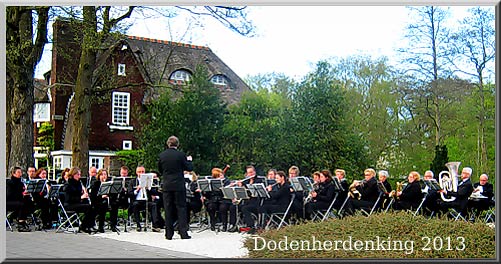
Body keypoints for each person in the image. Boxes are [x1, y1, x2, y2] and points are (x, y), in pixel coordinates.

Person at [158, 135, 193, 240]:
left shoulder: (162, 155)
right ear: (177, 144)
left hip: (167, 185)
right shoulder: (181, 155)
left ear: (168, 144)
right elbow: (189, 168)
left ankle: (168, 234)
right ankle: (183, 233)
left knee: (168, 209)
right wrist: (189, 160)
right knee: (181, 208)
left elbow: (160, 170)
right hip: (178, 185)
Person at [128, 166, 164, 232]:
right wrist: (137, 189)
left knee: (154, 205)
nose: (141, 173)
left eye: (143, 172)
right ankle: (138, 225)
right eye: (139, 172)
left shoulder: (148, 181)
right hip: (137, 200)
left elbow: (155, 192)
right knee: (135, 205)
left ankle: (155, 225)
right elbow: (129, 193)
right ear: (136, 173)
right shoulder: (133, 181)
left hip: (146, 200)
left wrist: (149, 188)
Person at [63, 167, 97, 234]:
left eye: (80, 174)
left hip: (77, 203)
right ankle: (83, 227)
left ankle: (88, 225)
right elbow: (69, 198)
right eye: (78, 175)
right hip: (70, 204)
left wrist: (84, 193)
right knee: (88, 207)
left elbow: (79, 193)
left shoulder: (78, 183)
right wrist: (81, 197)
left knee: (93, 206)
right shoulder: (68, 184)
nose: (79, 176)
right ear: (73, 174)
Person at [90, 169, 119, 233]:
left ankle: (113, 225)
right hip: (98, 202)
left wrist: (110, 196)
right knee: (103, 205)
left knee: (115, 204)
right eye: (102, 175)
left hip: (108, 201)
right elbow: (93, 196)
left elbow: (114, 194)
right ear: (99, 176)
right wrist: (101, 196)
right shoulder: (96, 184)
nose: (104, 176)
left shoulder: (109, 183)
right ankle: (101, 226)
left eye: (105, 174)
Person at [6, 167, 31, 232]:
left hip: (18, 200)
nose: (20, 174)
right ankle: (20, 223)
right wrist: (21, 194)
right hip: (8, 202)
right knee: (22, 205)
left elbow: (22, 192)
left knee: (28, 202)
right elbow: (9, 195)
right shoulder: (9, 183)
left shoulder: (21, 183)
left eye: (21, 172)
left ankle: (23, 220)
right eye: (18, 172)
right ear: (13, 173)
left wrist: (26, 193)